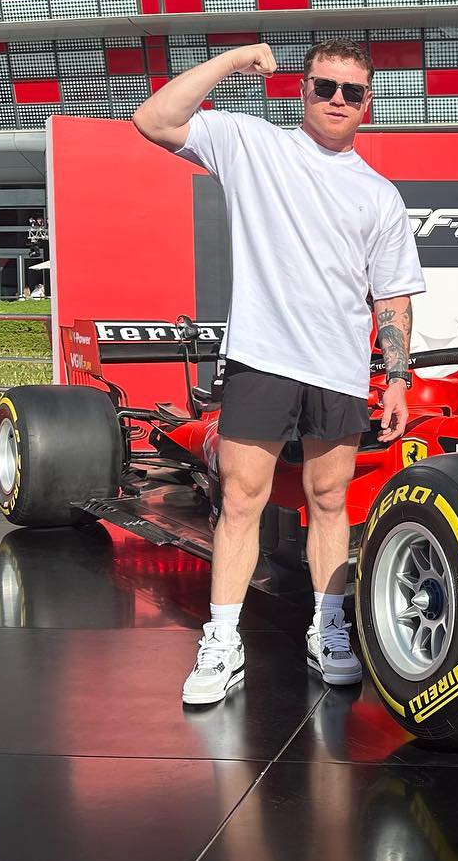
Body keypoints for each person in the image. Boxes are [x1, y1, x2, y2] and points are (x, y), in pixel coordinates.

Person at [132, 39, 425, 706]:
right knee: (240, 500)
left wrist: (399, 377)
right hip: (263, 358)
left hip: (340, 369)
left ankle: (328, 631)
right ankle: (223, 639)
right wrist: (234, 59)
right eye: (326, 87)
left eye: (352, 92)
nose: (338, 101)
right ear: (303, 89)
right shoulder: (251, 144)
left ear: (369, 104)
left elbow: (393, 297)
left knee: (329, 501)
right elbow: (154, 118)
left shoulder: (379, 195)